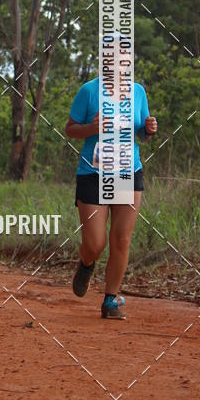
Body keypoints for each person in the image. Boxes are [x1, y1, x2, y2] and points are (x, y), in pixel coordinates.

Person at [65, 75, 157, 320]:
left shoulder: (137, 91)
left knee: (121, 239)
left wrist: (148, 130)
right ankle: (86, 263)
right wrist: (91, 129)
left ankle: (110, 301)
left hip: (128, 170)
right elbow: (70, 129)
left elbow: (142, 133)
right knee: (95, 244)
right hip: (93, 172)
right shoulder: (89, 91)